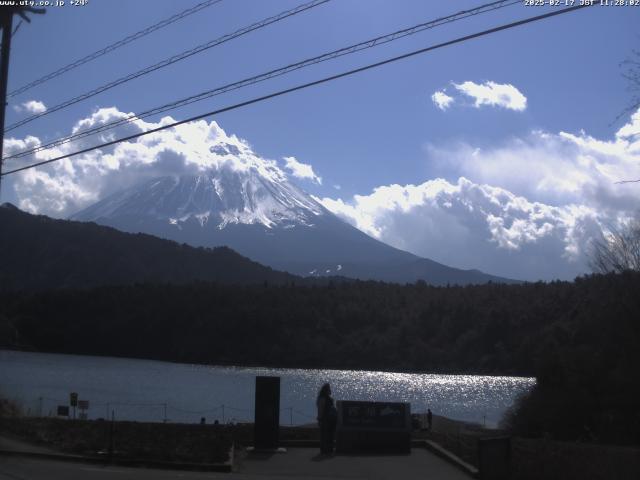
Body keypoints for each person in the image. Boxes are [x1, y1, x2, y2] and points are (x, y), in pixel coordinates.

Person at [316, 382, 337, 454]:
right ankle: (330, 449)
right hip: (331, 419)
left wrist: (319, 419)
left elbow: (320, 410)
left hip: (325, 419)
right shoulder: (330, 399)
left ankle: (324, 449)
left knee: (324, 435)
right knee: (330, 434)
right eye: (329, 389)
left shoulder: (321, 398)